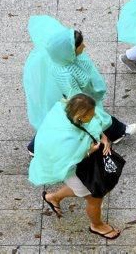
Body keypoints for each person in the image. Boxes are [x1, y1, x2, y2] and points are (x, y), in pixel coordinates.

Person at [23, 15, 136, 155]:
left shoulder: (63, 57)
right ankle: (117, 131)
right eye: (80, 45)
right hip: (73, 98)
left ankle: (34, 147)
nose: (84, 46)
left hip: (72, 95)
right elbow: (79, 101)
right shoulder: (65, 74)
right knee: (89, 115)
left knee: (54, 124)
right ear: (70, 50)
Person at [29, 93, 120, 239]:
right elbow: (70, 158)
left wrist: (103, 137)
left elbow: (93, 124)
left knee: (82, 190)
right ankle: (96, 225)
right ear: (80, 116)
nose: (94, 116)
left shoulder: (65, 111)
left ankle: (53, 197)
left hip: (80, 168)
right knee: (94, 197)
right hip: (73, 170)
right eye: (90, 114)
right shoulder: (66, 138)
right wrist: (89, 151)